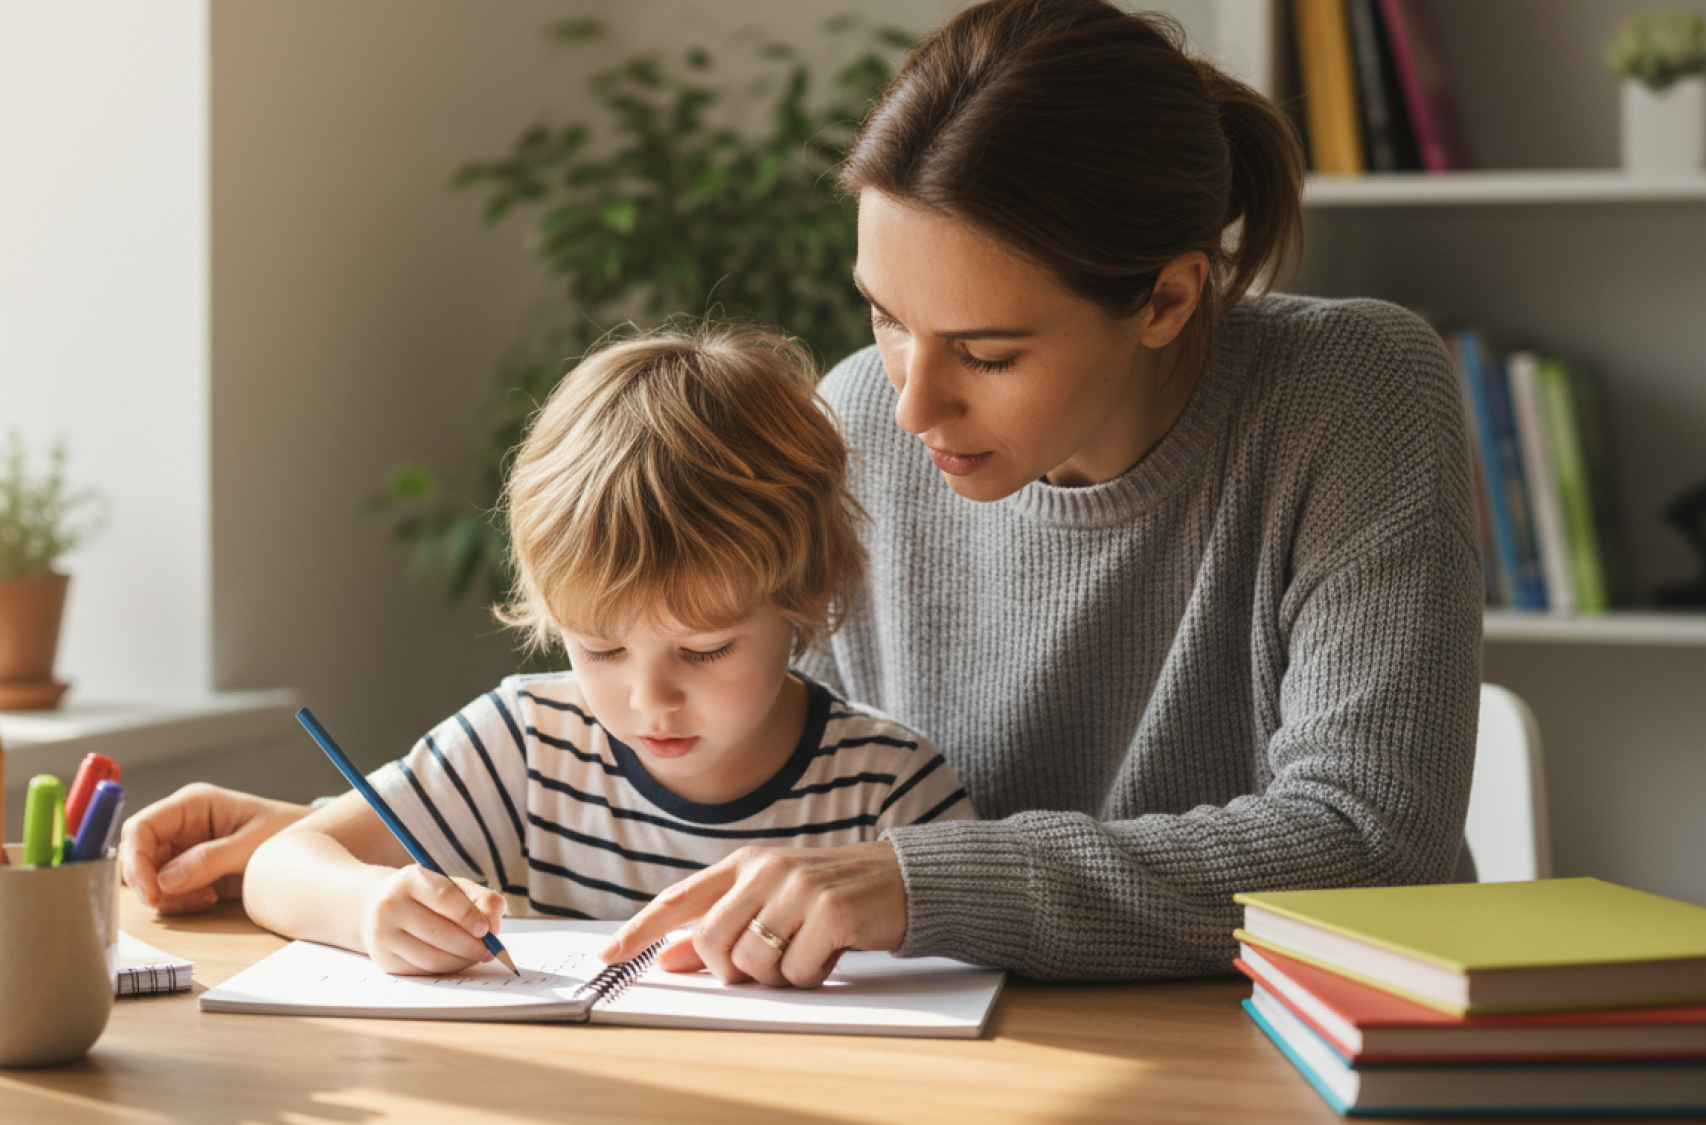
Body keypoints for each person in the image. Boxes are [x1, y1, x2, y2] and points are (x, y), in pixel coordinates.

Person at [123, 0, 1482, 988]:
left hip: (1251, 1055)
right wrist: (338, 843)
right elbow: (744, 760)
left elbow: (1372, 842)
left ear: (1169, 296)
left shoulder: (1352, 396)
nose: (910, 404)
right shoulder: (859, 421)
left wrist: (919, 884)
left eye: (989, 352)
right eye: (885, 317)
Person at [231, 324, 974, 974]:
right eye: (600, 648)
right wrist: (369, 908)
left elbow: (985, 974)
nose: (650, 700)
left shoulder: (892, 791)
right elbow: (279, 864)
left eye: (706, 650)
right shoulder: (528, 744)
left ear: (806, 592)